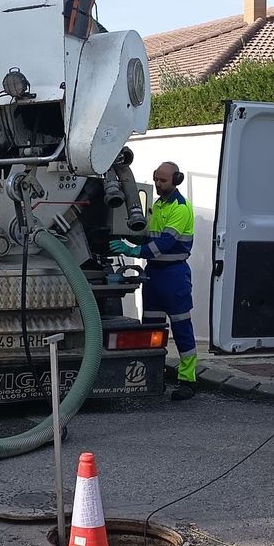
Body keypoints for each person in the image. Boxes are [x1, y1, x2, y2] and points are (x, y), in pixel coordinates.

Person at [112, 161, 197, 400]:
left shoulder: (180, 208)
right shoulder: (158, 205)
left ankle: (188, 380)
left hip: (174, 276)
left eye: (163, 181)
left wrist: (131, 250)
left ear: (176, 180)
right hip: (155, 275)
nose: (158, 184)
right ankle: (152, 377)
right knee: (151, 329)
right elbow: (148, 238)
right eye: (156, 179)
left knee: (181, 329)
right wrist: (129, 240)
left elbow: (162, 245)